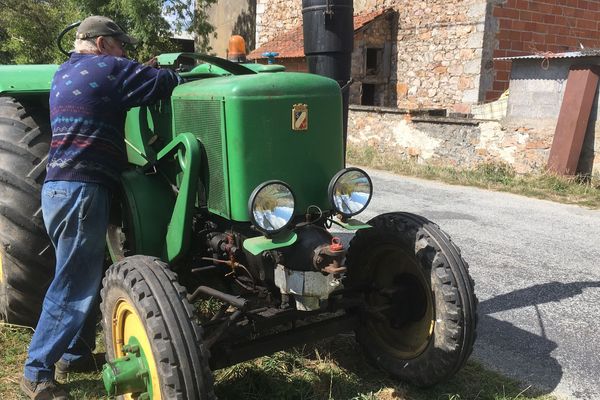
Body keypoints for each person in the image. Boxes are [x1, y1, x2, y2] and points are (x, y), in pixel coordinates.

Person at [21, 15, 181, 400]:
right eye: (120, 44)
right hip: (81, 189)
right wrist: (172, 71)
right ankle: (36, 374)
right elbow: (164, 83)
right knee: (73, 282)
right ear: (103, 43)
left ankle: (74, 355)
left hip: (57, 187)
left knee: (83, 272)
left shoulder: (62, 73)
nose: (125, 51)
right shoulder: (109, 68)